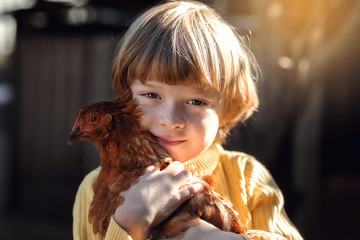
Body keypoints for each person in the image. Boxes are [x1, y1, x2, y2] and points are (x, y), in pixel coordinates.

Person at [73, 1, 303, 239]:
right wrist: (128, 225)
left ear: (228, 108)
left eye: (196, 101)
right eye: (151, 95)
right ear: (125, 100)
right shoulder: (92, 189)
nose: (171, 120)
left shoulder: (247, 176)